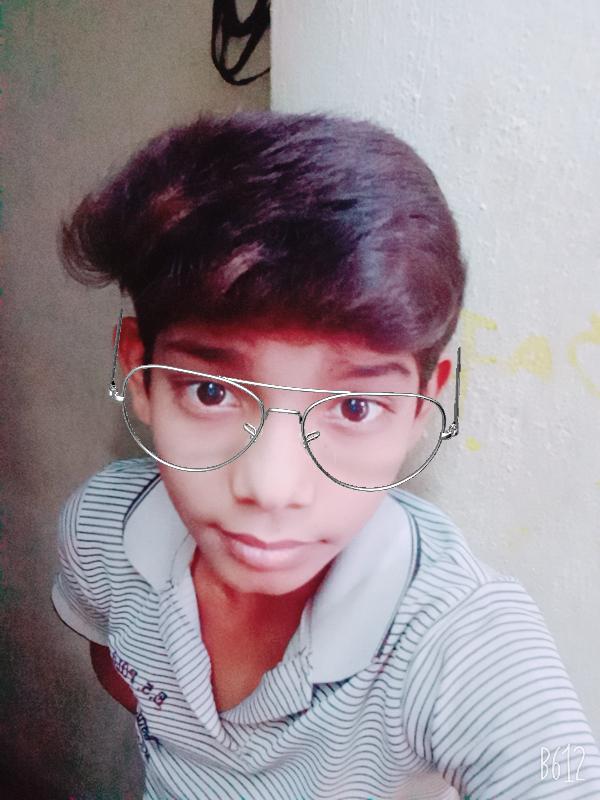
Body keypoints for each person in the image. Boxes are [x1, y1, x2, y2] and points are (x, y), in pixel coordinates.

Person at [52, 110, 600, 800]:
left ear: (421, 405)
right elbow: (118, 663)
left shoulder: (459, 639)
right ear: (140, 371)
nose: (271, 487)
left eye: (354, 407)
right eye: (212, 391)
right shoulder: (102, 529)